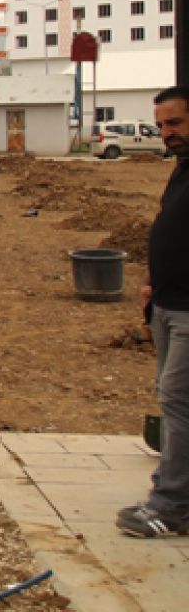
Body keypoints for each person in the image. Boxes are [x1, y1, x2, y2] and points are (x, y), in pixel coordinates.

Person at [117, 86, 189, 538]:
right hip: (166, 303)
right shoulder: (181, 172)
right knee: (174, 401)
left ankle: (171, 506)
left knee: (179, 405)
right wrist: (149, 282)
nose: (167, 133)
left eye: (176, 123)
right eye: (162, 125)